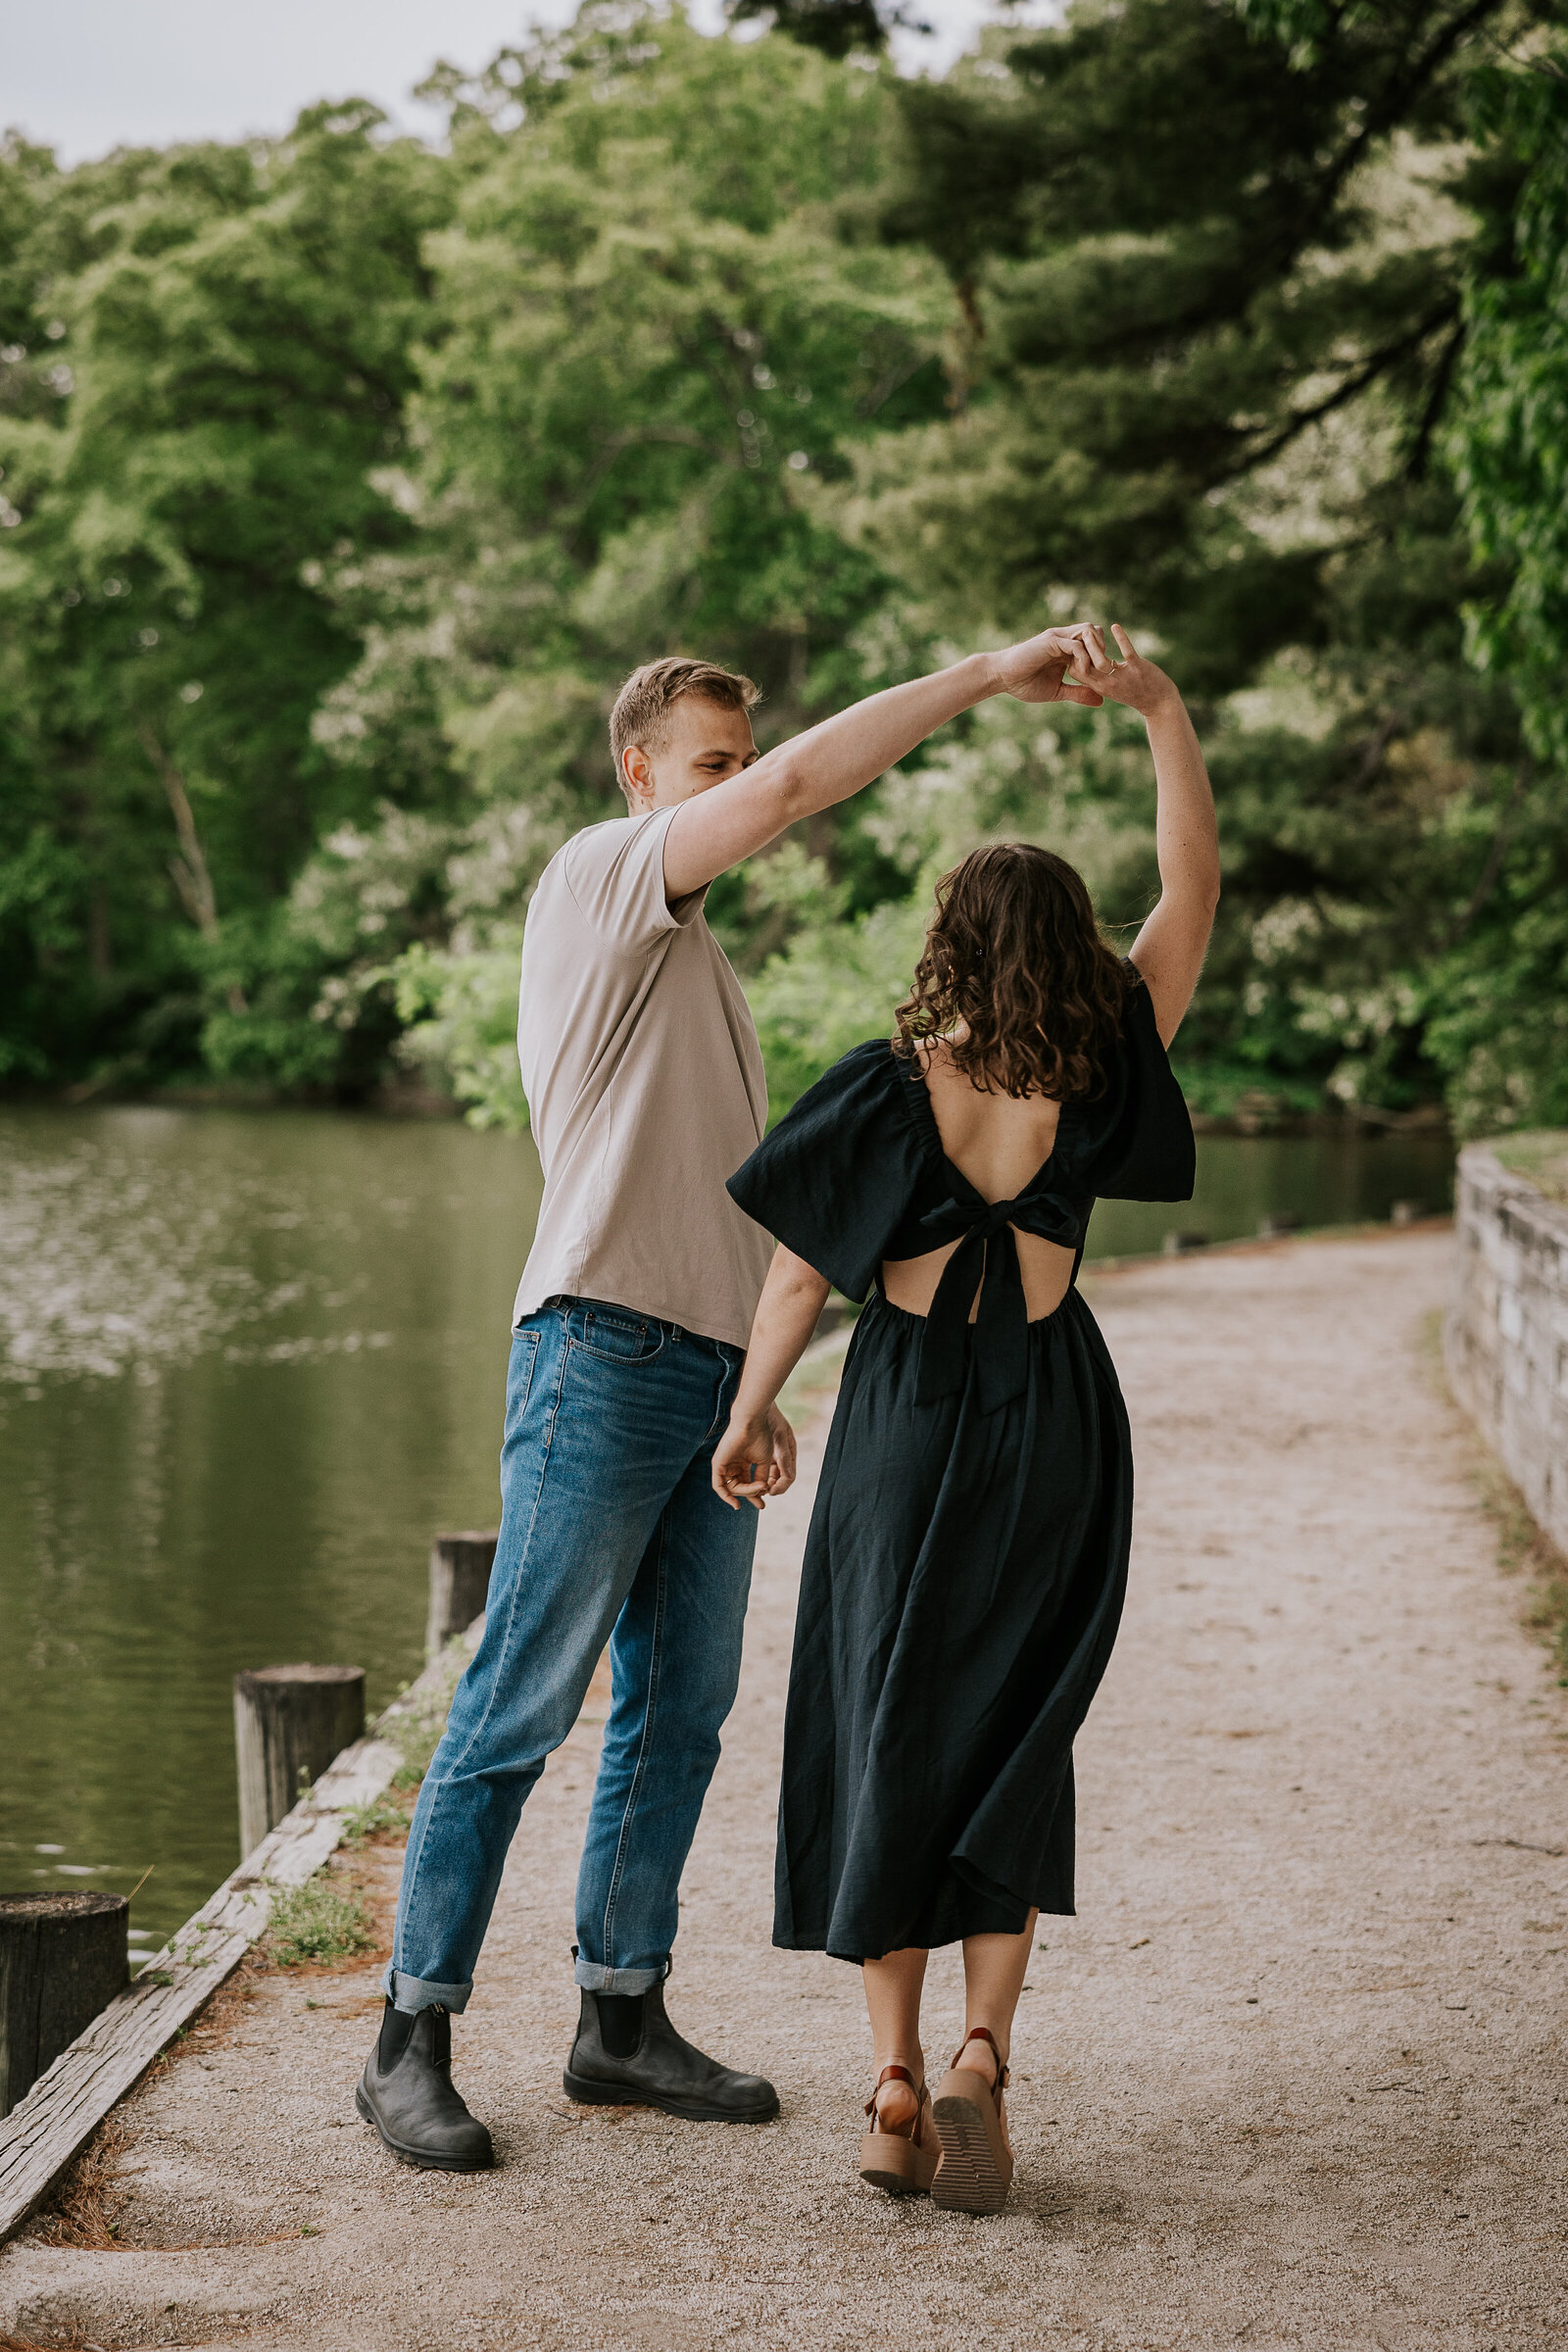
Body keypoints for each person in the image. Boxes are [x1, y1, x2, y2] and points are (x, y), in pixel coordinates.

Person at [357, 626, 1120, 2171]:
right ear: (640, 774)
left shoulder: (698, 966)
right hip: (594, 1348)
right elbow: (788, 793)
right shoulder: (597, 882)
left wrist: (759, 1389)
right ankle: (408, 2036)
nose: (736, 790)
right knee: (519, 1699)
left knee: (682, 1714)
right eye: (707, 764)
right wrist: (981, 674)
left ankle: (618, 2020)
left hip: (700, 1367)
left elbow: (772, 1231)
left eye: (731, 760)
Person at [711, 623, 1219, 2214]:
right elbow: (1190, 891)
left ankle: (891, 2084)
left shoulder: (885, 1085)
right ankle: (992, 2058)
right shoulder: (1109, 1055)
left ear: (949, 936)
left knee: (885, 1721)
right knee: (1016, 1725)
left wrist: (749, 1414)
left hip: (909, 1417)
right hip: (1057, 1419)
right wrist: (1161, 714)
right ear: (1069, 944)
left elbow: (800, 1280)